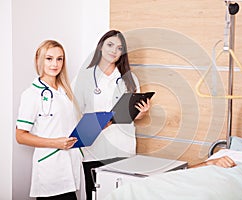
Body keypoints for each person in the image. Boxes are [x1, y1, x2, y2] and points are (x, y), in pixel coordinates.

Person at [73, 30, 151, 200]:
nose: (114, 51)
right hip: (95, 150)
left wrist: (142, 112)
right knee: (97, 196)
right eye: (110, 45)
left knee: (124, 196)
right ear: (100, 46)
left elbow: (134, 115)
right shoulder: (84, 77)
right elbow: (74, 112)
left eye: (119, 48)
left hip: (124, 148)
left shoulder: (129, 78)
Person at [16, 40, 83, 199]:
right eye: (49, 58)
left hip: (70, 166)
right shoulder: (31, 94)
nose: (55, 64)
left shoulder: (65, 92)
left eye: (59, 59)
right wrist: (55, 143)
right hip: (51, 169)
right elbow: (20, 136)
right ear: (39, 60)